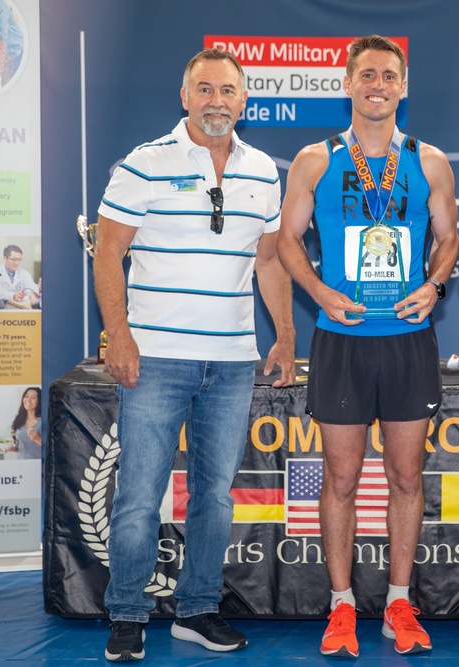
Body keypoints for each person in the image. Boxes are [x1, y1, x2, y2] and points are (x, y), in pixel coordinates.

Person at [93, 48, 295, 662]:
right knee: (138, 495)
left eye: (228, 90)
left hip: (233, 362)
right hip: (155, 357)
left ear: (243, 100)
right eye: (203, 89)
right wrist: (120, 335)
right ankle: (127, 614)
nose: (216, 101)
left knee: (214, 494)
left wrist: (284, 335)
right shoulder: (144, 163)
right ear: (185, 97)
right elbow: (108, 253)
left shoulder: (263, 169)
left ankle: (198, 609)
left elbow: (268, 260)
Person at [277, 35, 458, 659]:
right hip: (342, 339)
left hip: (407, 340)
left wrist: (434, 286)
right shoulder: (315, 159)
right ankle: (343, 604)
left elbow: (449, 239)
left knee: (407, 475)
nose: (377, 85)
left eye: (389, 75)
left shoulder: (429, 160)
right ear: (348, 83)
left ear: (403, 87)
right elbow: (287, 242)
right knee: (342, 476)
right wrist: (320, 292)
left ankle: (400, 601)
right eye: (366, 75)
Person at [0, 244, 40, 308]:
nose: (17, 263)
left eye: (19, 259)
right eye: (13, 259)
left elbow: (30, 287)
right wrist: (13, 295)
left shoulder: (24, 273)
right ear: (5, 258)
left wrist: (29, 292)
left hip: (18, 306)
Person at [9, 387, 42, 459]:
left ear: (39, 401)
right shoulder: (18, 420)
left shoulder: (43, 422)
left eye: (33, 397)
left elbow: (52, 447)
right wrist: (13, 448)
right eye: (26, 396)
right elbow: (19, 446)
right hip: (21, 464)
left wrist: (37, 439)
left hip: (37, 465)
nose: (28, 400)